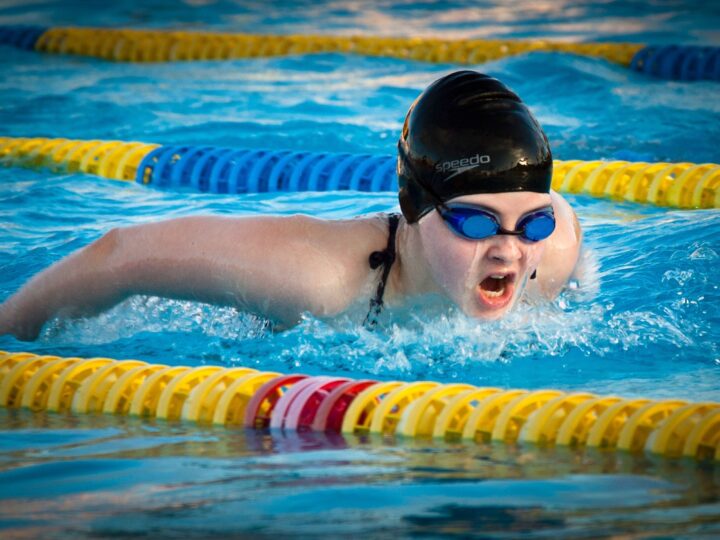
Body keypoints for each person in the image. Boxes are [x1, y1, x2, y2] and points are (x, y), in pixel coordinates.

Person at [0, 70, 582, 341]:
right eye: (477, 221)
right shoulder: (320, 280)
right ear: (414, 204)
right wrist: (11, 334)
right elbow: (122, 254)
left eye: (531, 222)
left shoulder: (553, 251)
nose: (510, 251)